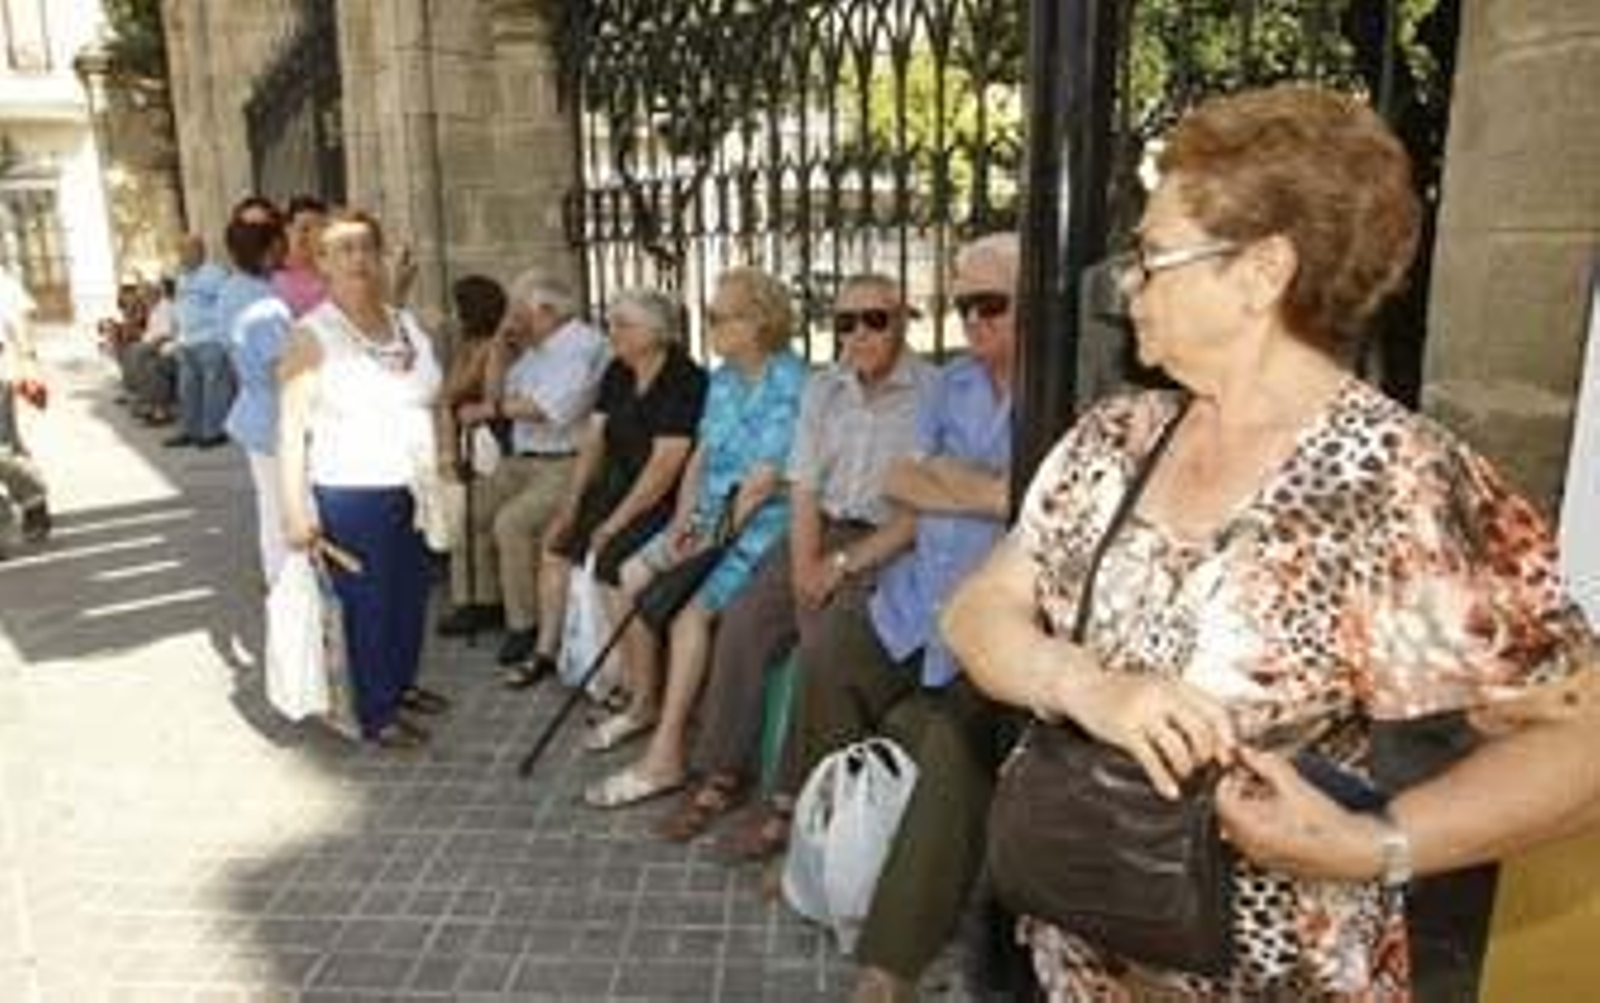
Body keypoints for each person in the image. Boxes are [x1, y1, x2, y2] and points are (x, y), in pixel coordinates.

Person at [942, 85, 1600, 1000]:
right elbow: (978, 610)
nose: (1128, 280)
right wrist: (1085, 683)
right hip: (1078, 955)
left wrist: (1380, 842)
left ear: (1261, 273)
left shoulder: (1395, 480)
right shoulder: (1115, 435)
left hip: (1280, 974)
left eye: (1154, 254)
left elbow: (1583, 739)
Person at [721, 236, 1018, 1001]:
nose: (975, 319)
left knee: (946, 736)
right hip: (914, 596)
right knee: (830, 655)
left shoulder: (1051, 388)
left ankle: (890, 959)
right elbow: (903, 477)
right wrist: (985, 489)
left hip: (988, 617)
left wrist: (963, 487)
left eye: (992, 304)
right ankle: (813, 848)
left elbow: (1031, 502)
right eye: (965, 305)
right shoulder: (954, 385)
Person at [655, 273, 934, 841]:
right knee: (744, 620)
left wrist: (837, 569)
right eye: (845, 322)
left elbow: (924, 510)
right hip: (819, 527)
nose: (859, 333)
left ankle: (789, 801)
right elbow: (804, 487)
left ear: (902, 320)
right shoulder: (824, 388)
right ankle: (720, 772)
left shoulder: (933, 392)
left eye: (874, 319)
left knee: (827, 645)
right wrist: (807, 563)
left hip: (887, 542)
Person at [584, 266, 807, 808]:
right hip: (710, 518)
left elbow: (758, 489)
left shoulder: (793, 382)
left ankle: (665, 757)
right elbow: (701, 458)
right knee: (632, 572)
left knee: (689, 613)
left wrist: (695, 547)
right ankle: (645, 703)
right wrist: (682, 525)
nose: (706, 325)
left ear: (757, 322)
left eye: (717, 317)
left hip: (759, 527)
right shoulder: (725, 377)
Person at [277, 209, 448, 749]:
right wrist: (294, 509)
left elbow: (433, 395)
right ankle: (375, 711)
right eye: (341, 249)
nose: (356, 258)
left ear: (378, 256)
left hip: (416, 485)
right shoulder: (311, 335)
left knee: (411, 593)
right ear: (322, 262)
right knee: (368, 602)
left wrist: (444, 460)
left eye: (364, 247)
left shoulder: (407, 323)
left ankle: (400, 684)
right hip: (353, 490)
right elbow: (290, 429)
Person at [513, 287, 707, 685]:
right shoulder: (618, 371)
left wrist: (615, 522)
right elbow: (594, 440)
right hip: (618, 484)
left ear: (656, 332)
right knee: (556, 544)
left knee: (612, 563)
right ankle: (545, 651)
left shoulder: (684, 379)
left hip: (664, 499)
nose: (612, 333)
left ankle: (631, 681)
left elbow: (664, 467)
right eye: (610, 322)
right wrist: (571, 505)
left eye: (622, 324)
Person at [463, 271, 608, 670]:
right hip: (522, 458)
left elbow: (552, 410)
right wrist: (497, 347)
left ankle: (523, 627)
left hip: (565, 462)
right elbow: (497, 396)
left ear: (545, 310)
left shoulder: (583, 345)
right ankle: (484, 600)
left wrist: (490, 410)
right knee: (468, 506)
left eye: (518, 309)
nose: (513, 316)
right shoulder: (536, 347)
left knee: (513, 523)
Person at [434, 274, 512, 636]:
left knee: (469, 517)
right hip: (469, 433)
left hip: (484, 438)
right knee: (467, 518)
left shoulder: (490, 347)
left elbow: (455, 392)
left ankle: (476, 602)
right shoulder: (474, 345)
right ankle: (474, 598)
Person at [222, 210, 294, 585]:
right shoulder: (266, 307)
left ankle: (280, 581)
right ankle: (287, 587)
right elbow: (284, 370)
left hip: (254, 410)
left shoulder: (232, 289)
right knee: (286, 510)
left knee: (271, 506)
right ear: (268, 252)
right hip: (274, 417)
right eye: (281, 241)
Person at [166, 232, 233, 448]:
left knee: (215, 388)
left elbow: (227, 306)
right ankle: (190, 430)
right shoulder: (182, 276)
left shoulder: (216, 274)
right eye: (180, 251)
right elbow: (178, 306)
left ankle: (213, 432)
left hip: (210, 339)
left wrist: (224, 338)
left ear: (199, 251)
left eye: (185, 250)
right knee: (188, 389)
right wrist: (176, 335)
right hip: (187, 341)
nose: (181, 255)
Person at [272, 194, 329, 318]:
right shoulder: (277, 279)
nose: (311, 236)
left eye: (319, 228)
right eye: (304, 228)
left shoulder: (331, 271)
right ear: (287, 229)